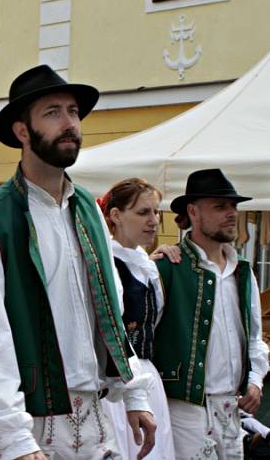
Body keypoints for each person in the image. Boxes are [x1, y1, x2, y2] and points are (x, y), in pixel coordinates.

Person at [0, 64, 156, 460]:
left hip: (97, 416)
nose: (69, 123)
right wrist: (14, 438)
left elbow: (110, 308)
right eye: (53, 113)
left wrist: (134, 393)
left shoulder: (88, 209)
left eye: (74, 112)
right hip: (31, 423)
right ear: (22, 131)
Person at [153, 168, 269, 460]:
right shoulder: (167, 267)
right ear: (193, 211)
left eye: (233, 206)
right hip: (182, 407)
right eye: (220, 206)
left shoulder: (242, 272)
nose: (231, 213)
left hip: (231, 406)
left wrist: (255, 379)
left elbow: (255, 337)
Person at [97, 178, 176, 460]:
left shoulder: (147, 265)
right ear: (115, 216)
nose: (153, 221)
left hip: (148, 377)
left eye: (156, 212)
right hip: (118, 383)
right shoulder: (105, 263)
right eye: (143, 213)